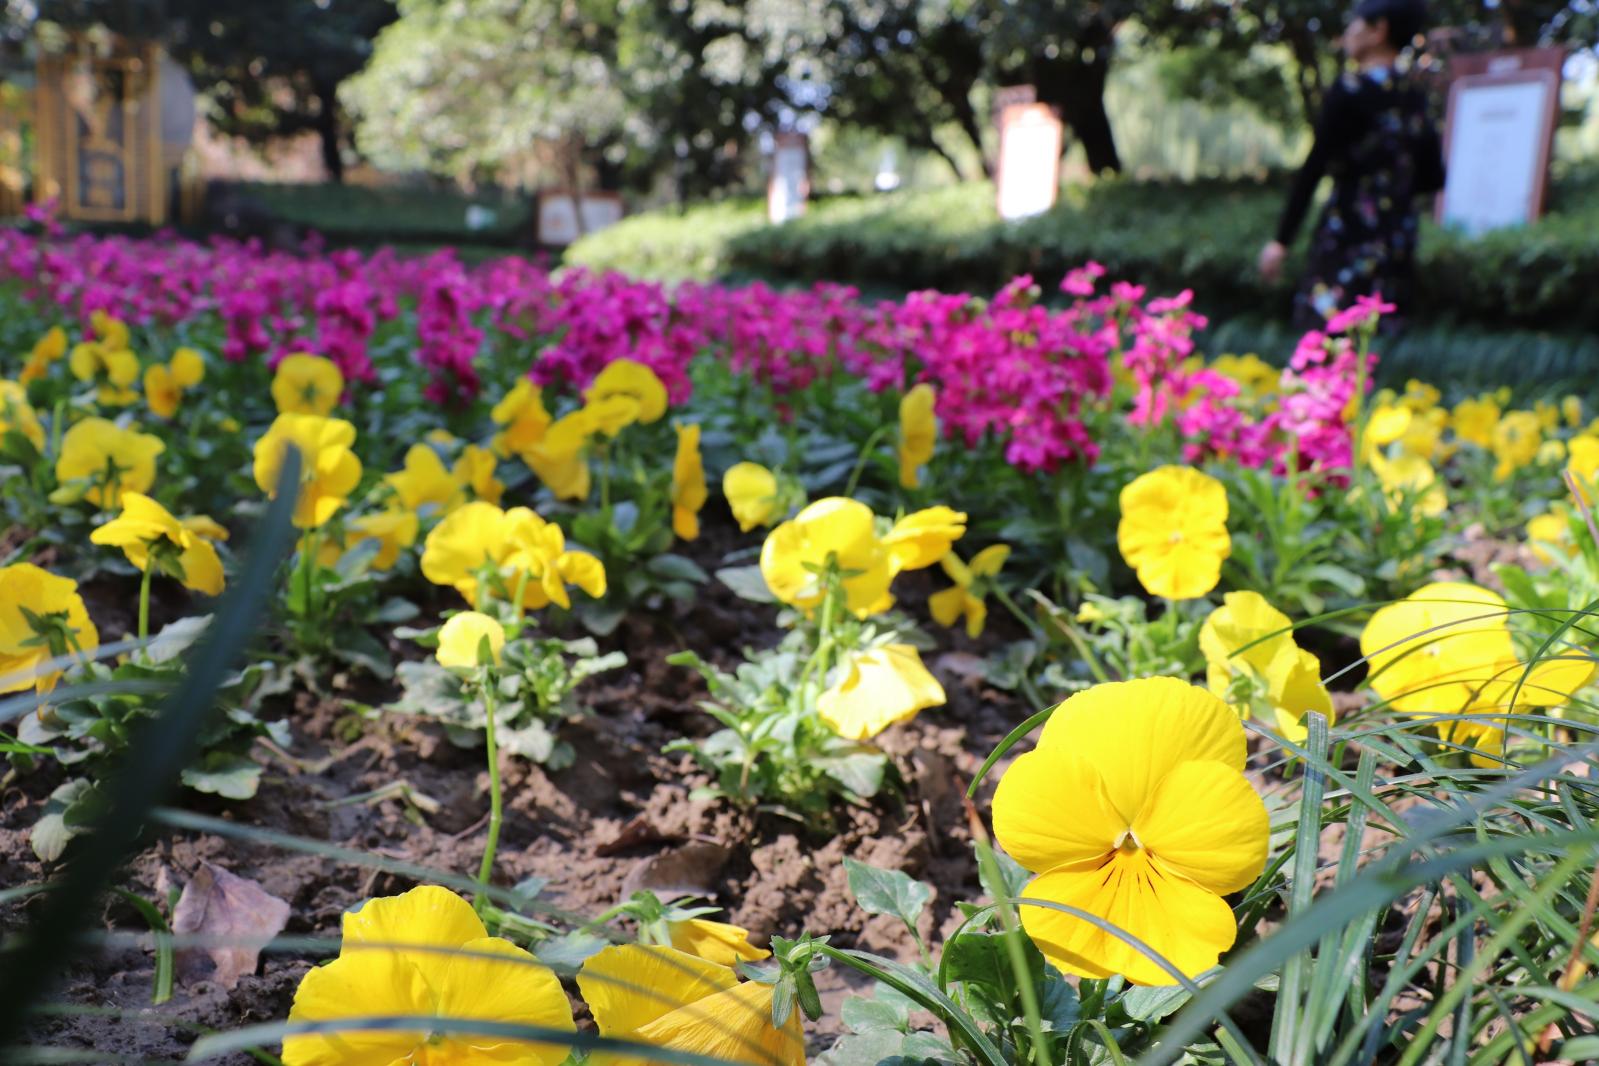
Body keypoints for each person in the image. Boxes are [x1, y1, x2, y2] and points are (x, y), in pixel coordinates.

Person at [1258, 0, 1445, 330]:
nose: (1347, 33)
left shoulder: (1350, 91)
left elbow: (1314, 168)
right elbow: (1432, 177)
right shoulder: (1415, 96)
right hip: (1396, 243)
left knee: (1325, 343)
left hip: (1346, 237)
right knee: (1376, 346)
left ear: (1378, 30)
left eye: (1354, 24)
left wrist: (1281, 241)